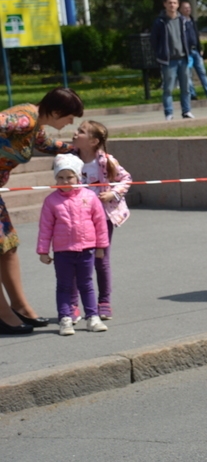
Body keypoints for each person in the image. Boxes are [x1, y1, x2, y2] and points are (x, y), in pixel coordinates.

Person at [0, 88, 83, 336]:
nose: (70, 122)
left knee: (8, 246)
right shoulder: (24, 119)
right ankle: (3, 314)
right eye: (69, 117)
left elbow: (45, 145)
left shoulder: (34, 123)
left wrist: (75, 149)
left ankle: (20, 306)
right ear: (57, 111)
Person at [38, 154, 109, 336]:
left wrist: (101, 246)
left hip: (86, 249)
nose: (65, 181)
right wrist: (43, 251)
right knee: (64, 286)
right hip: (63, 252)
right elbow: (45, 228)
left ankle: (93, 317)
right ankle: (65, 318)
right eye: (60, 177)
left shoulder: (90, 197)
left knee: (86, 284)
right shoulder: (51, 201)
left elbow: (100, 223)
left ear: (78, 177)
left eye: (69, 177)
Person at [71, 120, 132, 321]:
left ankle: (104, 301)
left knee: (100, 259)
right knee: (73, 259)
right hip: (76, 217)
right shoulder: (71, 160)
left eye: (81, 131)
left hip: (101, 218)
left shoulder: (105, 161)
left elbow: (126, 179)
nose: (75, 133)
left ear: (93, 141)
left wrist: (112, 194)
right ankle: (72, 304)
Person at [151, 0, 195, 120]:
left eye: (174, 3)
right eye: (169, 3)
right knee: (168, 89)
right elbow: (154, 40)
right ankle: (169, 113)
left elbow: (190, 37)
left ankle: (186, 111)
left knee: (186, 88)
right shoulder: (160, 22)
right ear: (165, 4)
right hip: (169, 61)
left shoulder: (183, 20)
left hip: (183, 59)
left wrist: (191, 49)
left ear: (178, 4)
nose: (172, 5)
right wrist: (160, 53)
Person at [179, 1, 207, 101]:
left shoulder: (192, 21)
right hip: (186, 52)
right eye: (185, 8)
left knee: (202, 72)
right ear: (180, 9)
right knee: (188, 74)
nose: (187, 9)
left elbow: (196, 36)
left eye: (189, 8)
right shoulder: (180, 22)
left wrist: (200, 48)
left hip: (195, 51)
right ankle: (192, 94)